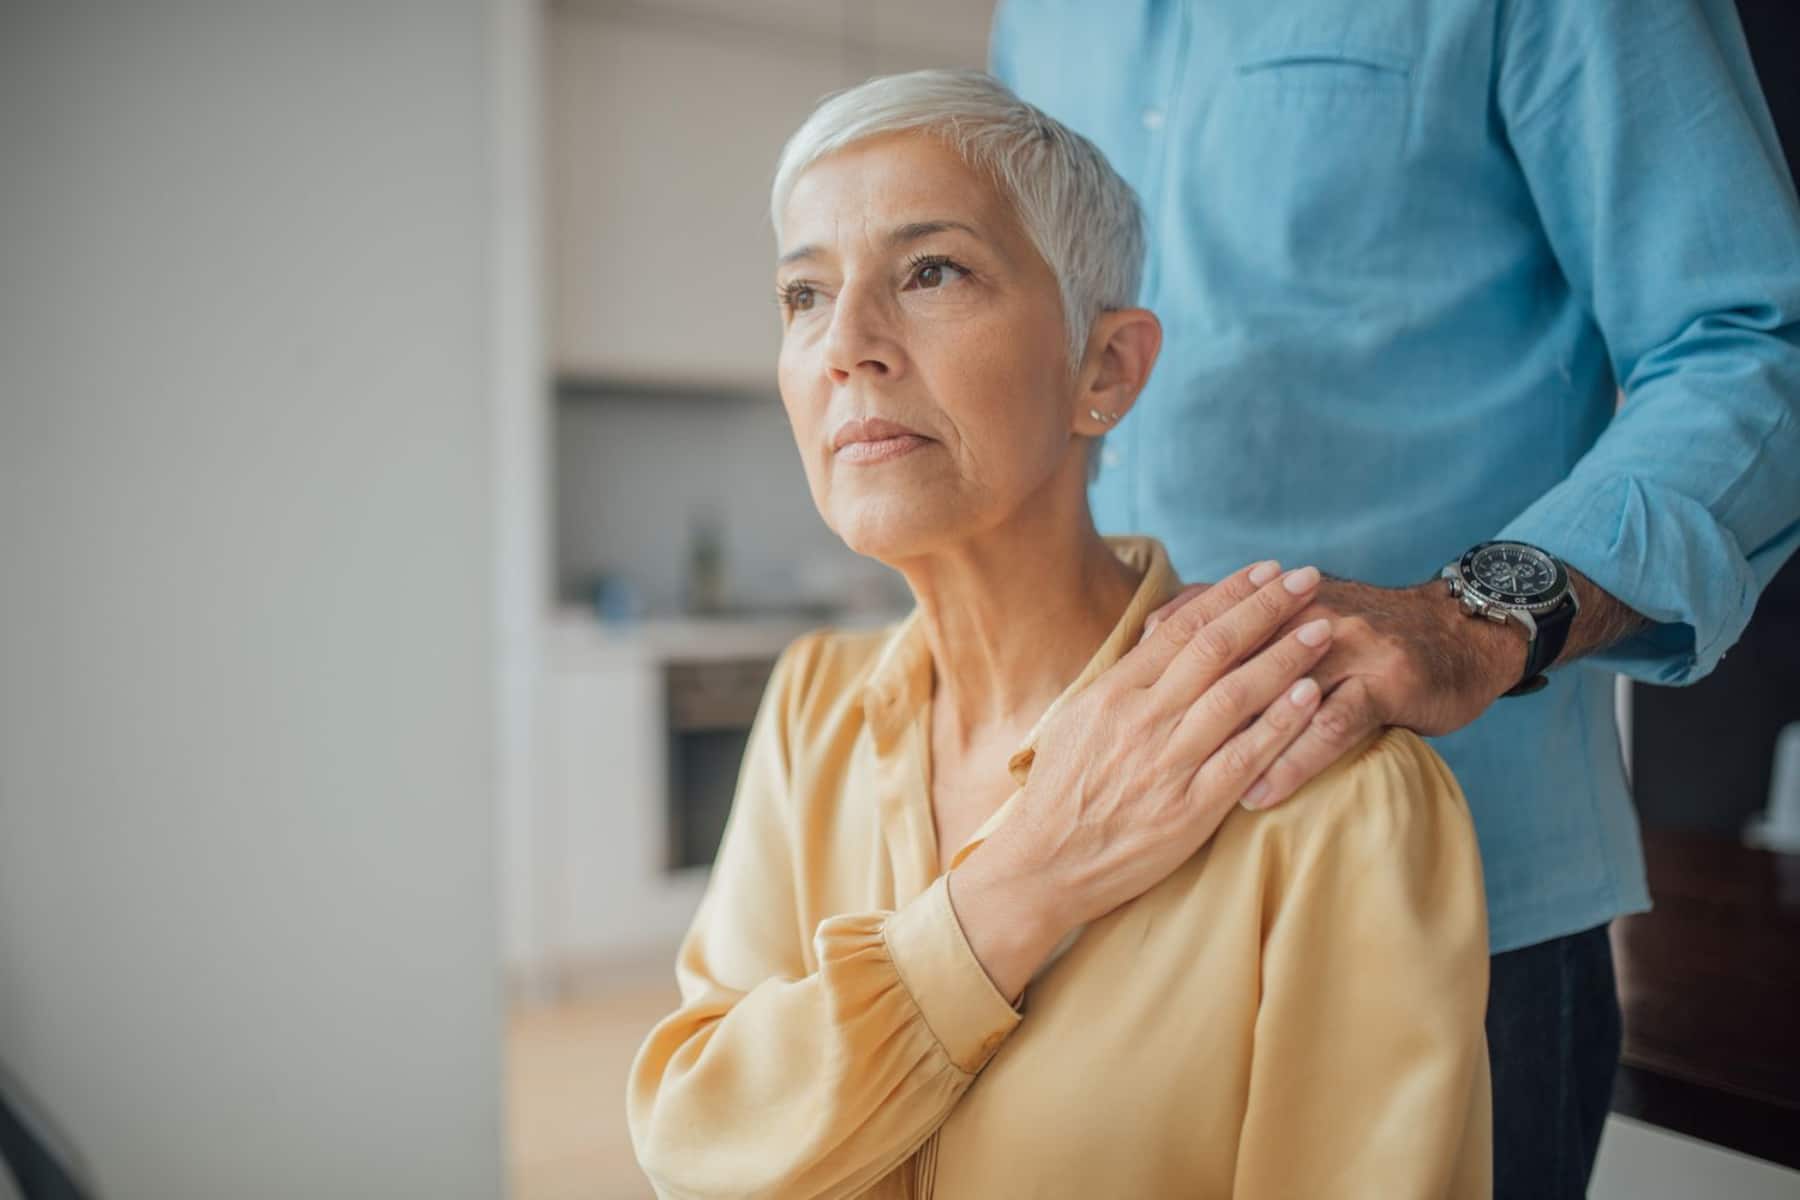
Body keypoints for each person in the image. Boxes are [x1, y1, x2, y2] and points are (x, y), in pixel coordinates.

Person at [627, 69, 1491, 1198]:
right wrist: (1019, 890)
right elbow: (699, 1149)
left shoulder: (1331, 792)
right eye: (804, 295)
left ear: (1108, 367)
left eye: (930, 271)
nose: (847, 344)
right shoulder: (812, 707)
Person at [986, 3, 1800, 1195]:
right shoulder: (1043, 23)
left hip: (1457, 910)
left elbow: (1753, 340)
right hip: (1090, 889)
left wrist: (1474, 614)